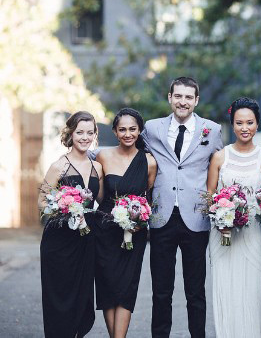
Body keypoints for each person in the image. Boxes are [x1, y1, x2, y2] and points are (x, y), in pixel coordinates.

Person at [142, 77, 223, 338]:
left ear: (196, 101)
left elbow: (222, 165)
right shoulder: (152, 128)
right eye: (178, 96)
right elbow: (130, 153)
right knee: (161, 291)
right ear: (169, 97)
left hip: (196, 217)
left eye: (189, 97)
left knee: (195, 291)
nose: (183, 102)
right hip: (161, 216)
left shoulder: (212, 130)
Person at [206, 97, 261, 338]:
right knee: (226, 291)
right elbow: (210, 198)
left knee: (251, 292)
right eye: (239, 123)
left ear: (257, 124)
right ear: (232, 124)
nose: (245, 128)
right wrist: (221, 216)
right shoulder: (220, 157)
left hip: (253, 234)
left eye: (250, 122)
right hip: (223, 235)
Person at [39, 111, 104, 338]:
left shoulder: (98, 168)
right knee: (60, 298)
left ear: (95, 134)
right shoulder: (59, 166)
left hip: (86, 242)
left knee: (82, 299)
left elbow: (100, 202)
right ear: (71, 134)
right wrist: (67, 207)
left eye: (89, 132)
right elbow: (42, 201)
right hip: (59, 243)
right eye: (79, 132)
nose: (84, 137)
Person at [93, 108, 157, 338]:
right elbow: (99, 197)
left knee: (126, 288)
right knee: (107, 286)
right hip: (105, 232)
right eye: (122, 129)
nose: (128, 134)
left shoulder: (149, 162)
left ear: (139, 131)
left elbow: (148, 198)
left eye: (132, 129)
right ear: (115, 131)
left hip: (134, 232)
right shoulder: (103, 156)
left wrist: (140, 220)